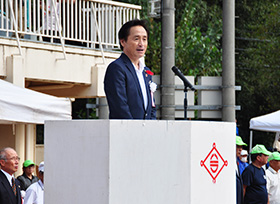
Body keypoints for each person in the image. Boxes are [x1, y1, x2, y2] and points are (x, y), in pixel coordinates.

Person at [104, 19, 157, 119]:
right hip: (126, 130)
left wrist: (151, 126)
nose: (141, 44)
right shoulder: (117, 68)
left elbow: (152, 106)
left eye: (144, 39)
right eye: (136, 39)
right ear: (123, 41)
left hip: (146, 131)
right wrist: (133, 129)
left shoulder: (146, 71)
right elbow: (120, 107)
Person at [236, 136, 247, 204]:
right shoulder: (226, 163)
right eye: (238, 146)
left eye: (241, 147)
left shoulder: (236, 162)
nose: (240, 149)